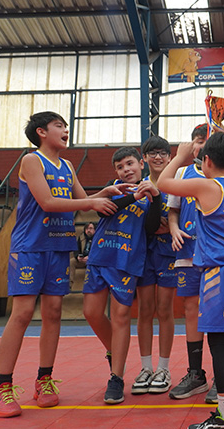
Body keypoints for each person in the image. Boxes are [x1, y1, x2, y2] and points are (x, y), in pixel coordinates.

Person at [0, 111, 121, 418]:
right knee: (22, 313)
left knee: (53, 313)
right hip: (30, 246)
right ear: (41, 132)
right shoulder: (32, 161)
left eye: (65, 126)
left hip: (59, 246)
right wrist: (92, 201)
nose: (65, 130)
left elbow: (82, 200)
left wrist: (106, 193)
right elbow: (48, 202)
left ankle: (44, 380)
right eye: (59, 125)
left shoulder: (68, 166)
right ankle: (0, 387)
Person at [158, 132, 224, 429]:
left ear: (207, 161)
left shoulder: (207, 185)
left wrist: (180, 156)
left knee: (219, 342)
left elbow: (163, 183)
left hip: (221, 270)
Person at [82, 147, 161, 404]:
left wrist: (154, 197)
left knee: (121, 317)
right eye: (120, 167)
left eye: (129, 164)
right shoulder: (113, 188)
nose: (126, 170)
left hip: (127, 261)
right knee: (91, 312)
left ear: (141, 164)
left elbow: (151, 227)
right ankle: (114, 351)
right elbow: (103, 210)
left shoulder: (151, 191)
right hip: (101, 255)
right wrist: (133, 196)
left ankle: (116, 378)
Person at [166, 124, 212, 401]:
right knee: (191, 310)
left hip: (216, 254)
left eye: (208, 140)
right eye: (198, 140)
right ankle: (196, 373)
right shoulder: (182, 173)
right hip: (187, 251)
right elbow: (173, 210)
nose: (202, 144)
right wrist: (173, 228)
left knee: (218, 310)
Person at [132, 136, 177, 395]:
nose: (158, 157)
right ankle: (146, 367)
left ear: (170, 158)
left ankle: (163, 368)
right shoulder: (138, 187)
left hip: (168, 252)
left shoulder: (177, 185)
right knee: (145, 309)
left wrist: (171, 227)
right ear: (144, 158)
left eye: (162, 153)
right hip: (143, 252)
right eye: (153, 153)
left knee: (165, 309)